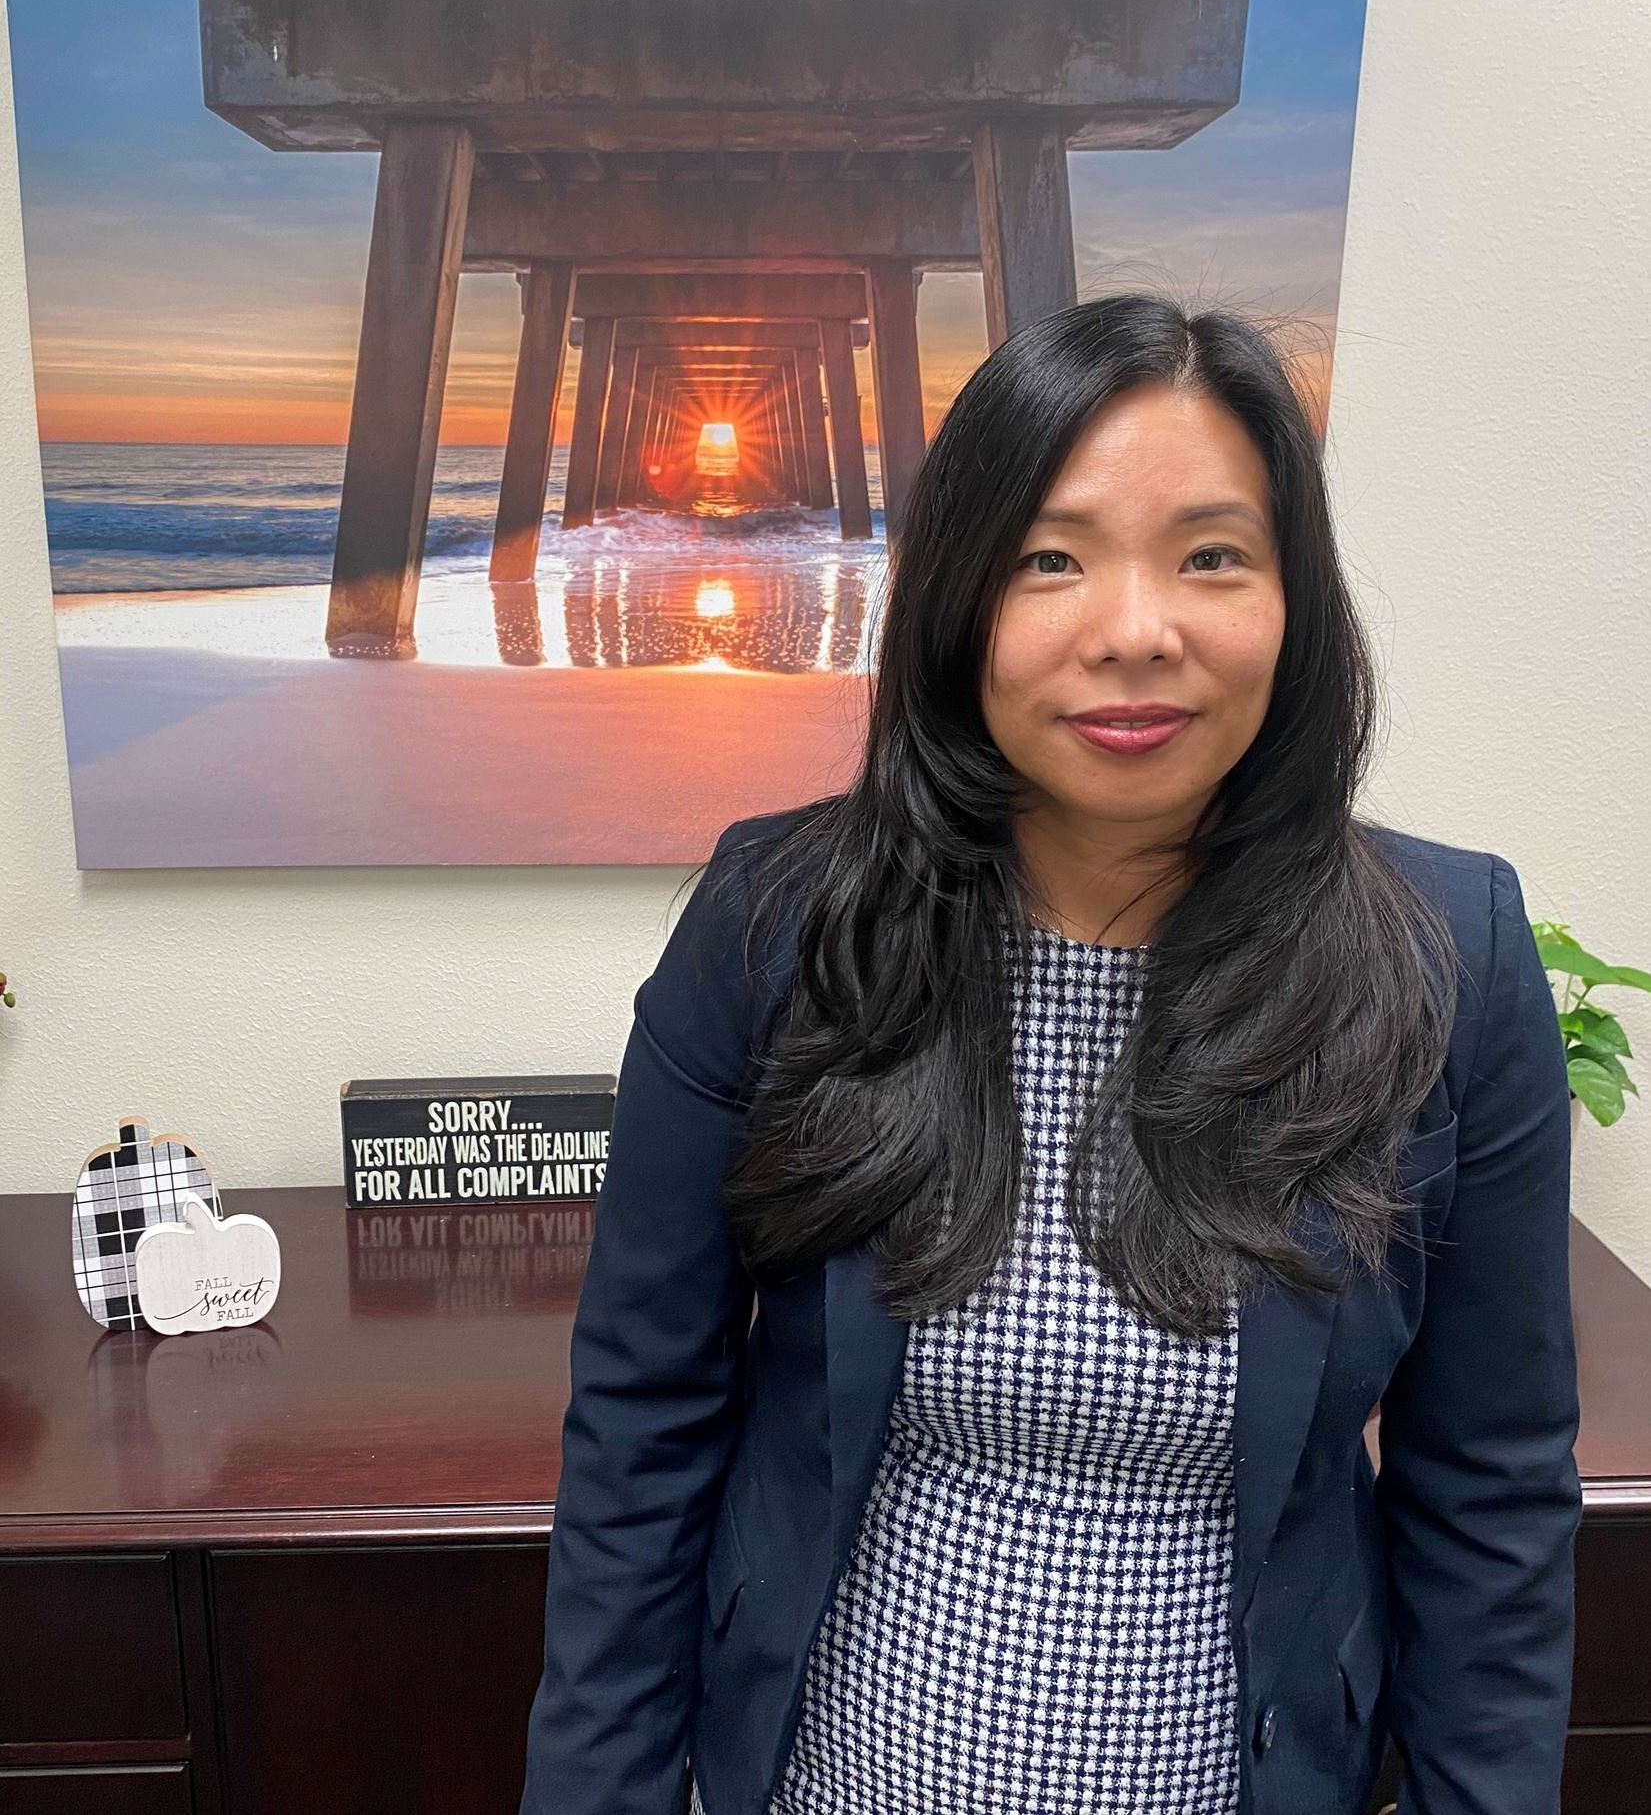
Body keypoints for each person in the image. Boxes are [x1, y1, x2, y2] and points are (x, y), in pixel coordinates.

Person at [519, 292, 1581, 1815]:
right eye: (1051, 557)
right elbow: (642, 1429)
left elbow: (1490, 1492)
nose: (1134, 630)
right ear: (960, 601)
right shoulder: (774, 928)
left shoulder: (1452, 959)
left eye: (1213, 554)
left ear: (1297, 599)